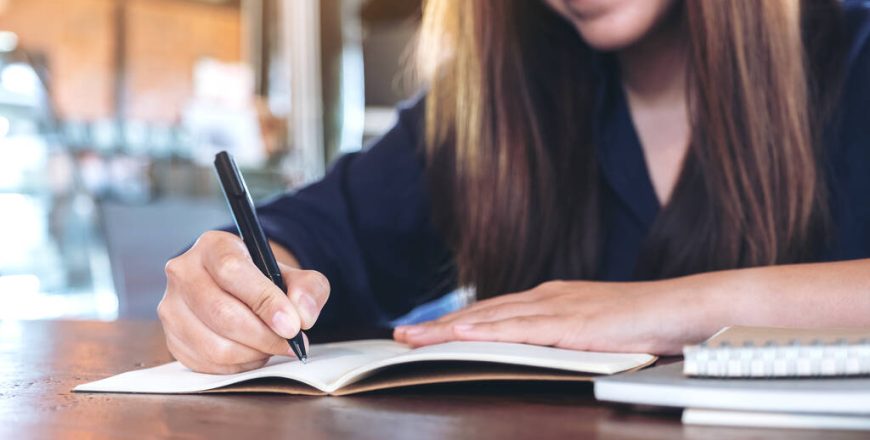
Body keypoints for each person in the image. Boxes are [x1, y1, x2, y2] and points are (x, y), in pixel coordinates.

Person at [158, 0, 870, 374]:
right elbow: (317, 235)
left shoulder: (854, 57)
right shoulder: (495, 105)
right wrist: (231, 286)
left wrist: (673, 310)